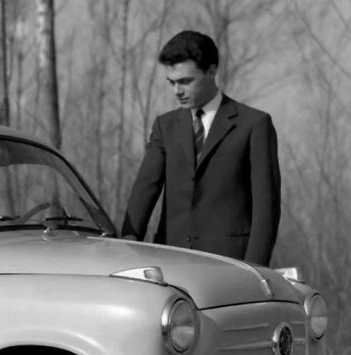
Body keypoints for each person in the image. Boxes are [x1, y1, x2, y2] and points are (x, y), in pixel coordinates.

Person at [120, 30, 281, 266]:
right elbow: (145, 188)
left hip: (231, 265)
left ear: (211, 71)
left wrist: (254, 269)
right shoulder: (165, 126)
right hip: (171, 264)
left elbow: (266, 208)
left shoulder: (253, 125)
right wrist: (127, 244)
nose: (177, 91)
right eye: (172, 83)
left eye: (185, 81)